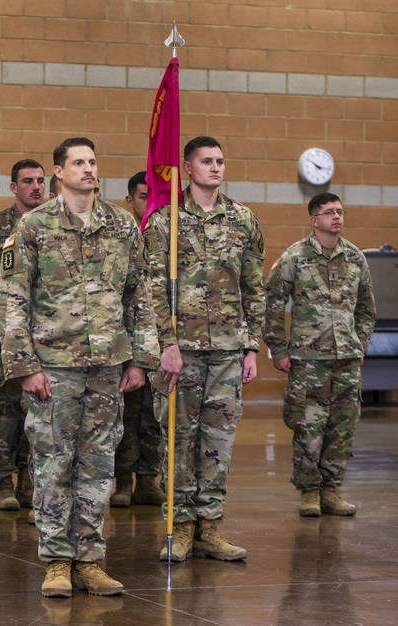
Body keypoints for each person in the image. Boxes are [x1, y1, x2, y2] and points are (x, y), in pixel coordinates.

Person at [0, 137, 159, 597]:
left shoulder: (122, 225)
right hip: (54, 367)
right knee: (53, 466)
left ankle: (90, 558)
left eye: (92, 161)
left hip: (108, 367)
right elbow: (12, 302)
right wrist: (25, 366)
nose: (88, 169)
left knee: (98, 465)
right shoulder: (32, 227)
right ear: (58, 171)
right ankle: (56, 561)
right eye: (78, 162)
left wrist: (140, 361)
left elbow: (138, 295)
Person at [144, 135, 265, 562]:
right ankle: (178, 528)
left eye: (220, 161)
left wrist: (250, 347)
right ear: (187, 167)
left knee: (219, 440)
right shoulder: (166, 221)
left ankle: (210, 528)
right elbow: (153, 289)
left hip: (228, 350)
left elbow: (253, 288)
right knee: (176, 439)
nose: (215, 167)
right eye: (206, 161)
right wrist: (167, 343)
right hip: (183, 350)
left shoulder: (243, 220)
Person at [264, 192, 375, 517]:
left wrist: (361, 345)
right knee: (308, 427)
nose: (336, 217)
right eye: (329, 212)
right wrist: (278, 348)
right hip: (307, 361)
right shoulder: (294, 257)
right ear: (314, 220)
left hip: (346, 361)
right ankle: (309, 492)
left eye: (340, 211)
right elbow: (271, 303)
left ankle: (332, 490)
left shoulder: (356, 258)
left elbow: (367, 308)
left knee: (342, 428)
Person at [0, 159, 45, 512]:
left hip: (42, 335)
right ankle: (3, 481)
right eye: (27, 181)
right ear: (13, 187)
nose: (36, 187)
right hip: (2, 336)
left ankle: (29, 480)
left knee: (37, 411)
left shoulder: (51, 225)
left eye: (40, 181)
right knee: (3, 411)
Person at [110, 171, 166, 507]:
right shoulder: (119, 235)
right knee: (124, 414)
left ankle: (148, 479)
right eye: (144, 196)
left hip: (161, 338)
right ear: (130, 200)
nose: (151, 203)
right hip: (126, 338)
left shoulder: (168, 239)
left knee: (154, 415)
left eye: (156, 197)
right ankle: (123, 481)